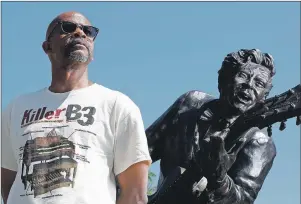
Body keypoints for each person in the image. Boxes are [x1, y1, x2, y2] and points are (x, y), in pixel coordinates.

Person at [1, 11, 151, 204]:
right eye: (68, 27)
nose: (80, 33)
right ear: (47, 47)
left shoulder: (118, 106)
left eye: (89, 31)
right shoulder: (17, 108)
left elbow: (135, 194)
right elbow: (8, 183)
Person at [146, 49, 277, 203]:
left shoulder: (260, 144)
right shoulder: (190, 104)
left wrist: (220, 179)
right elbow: (139, 151)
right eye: (243, 76)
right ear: (224, 80)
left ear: (264, 96)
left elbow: (243, 200)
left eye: (259, 83)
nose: (249, 85)